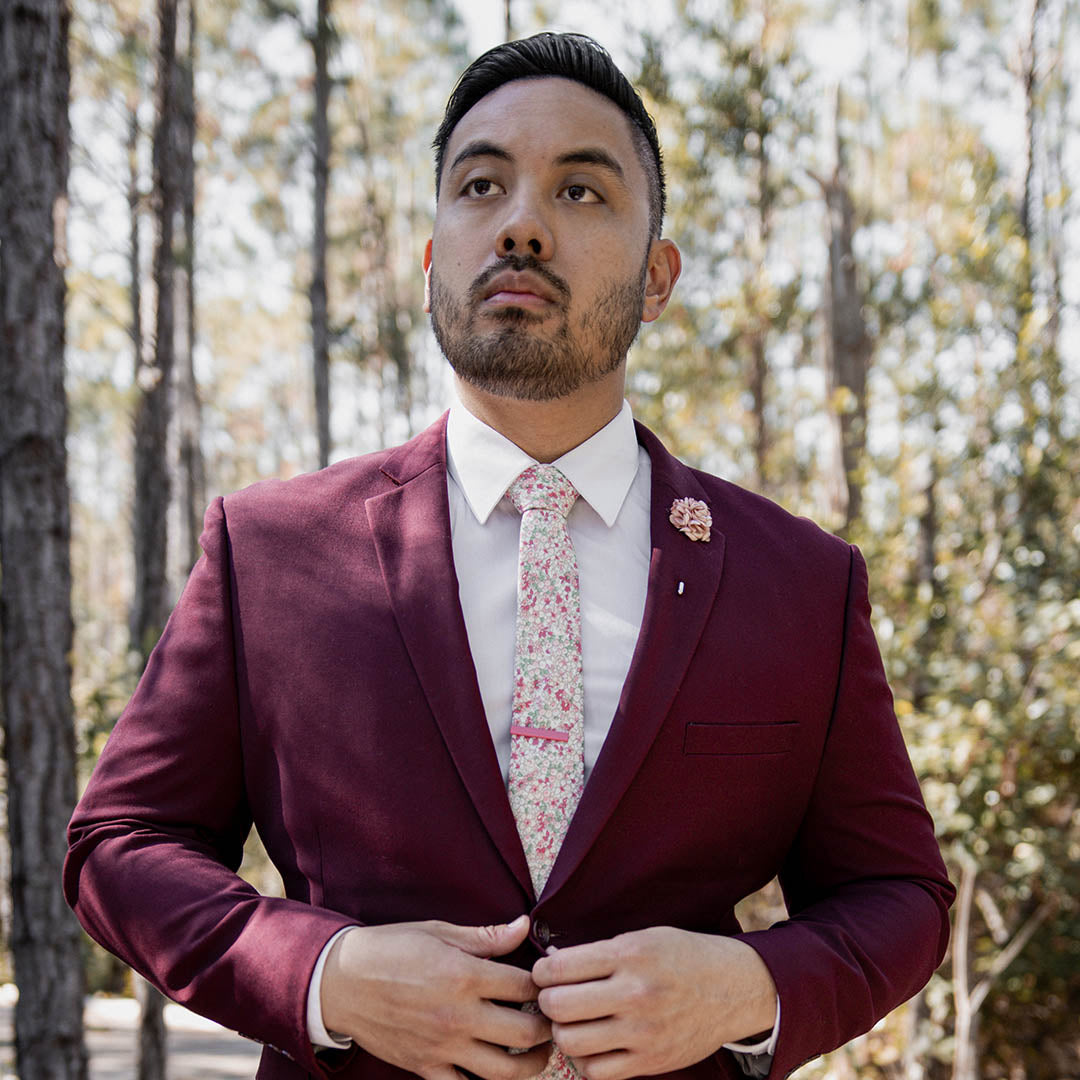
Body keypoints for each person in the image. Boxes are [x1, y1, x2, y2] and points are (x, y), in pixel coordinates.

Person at [65, 32, 954, 1080]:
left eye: (581, 194)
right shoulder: (269, 552)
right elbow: (119, 845)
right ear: (434, 258)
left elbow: (900, 896)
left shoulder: (801, 582)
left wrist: (749, 988)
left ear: (658, 277)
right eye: (482, 184)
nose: (523, 225)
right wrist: (325, 975)